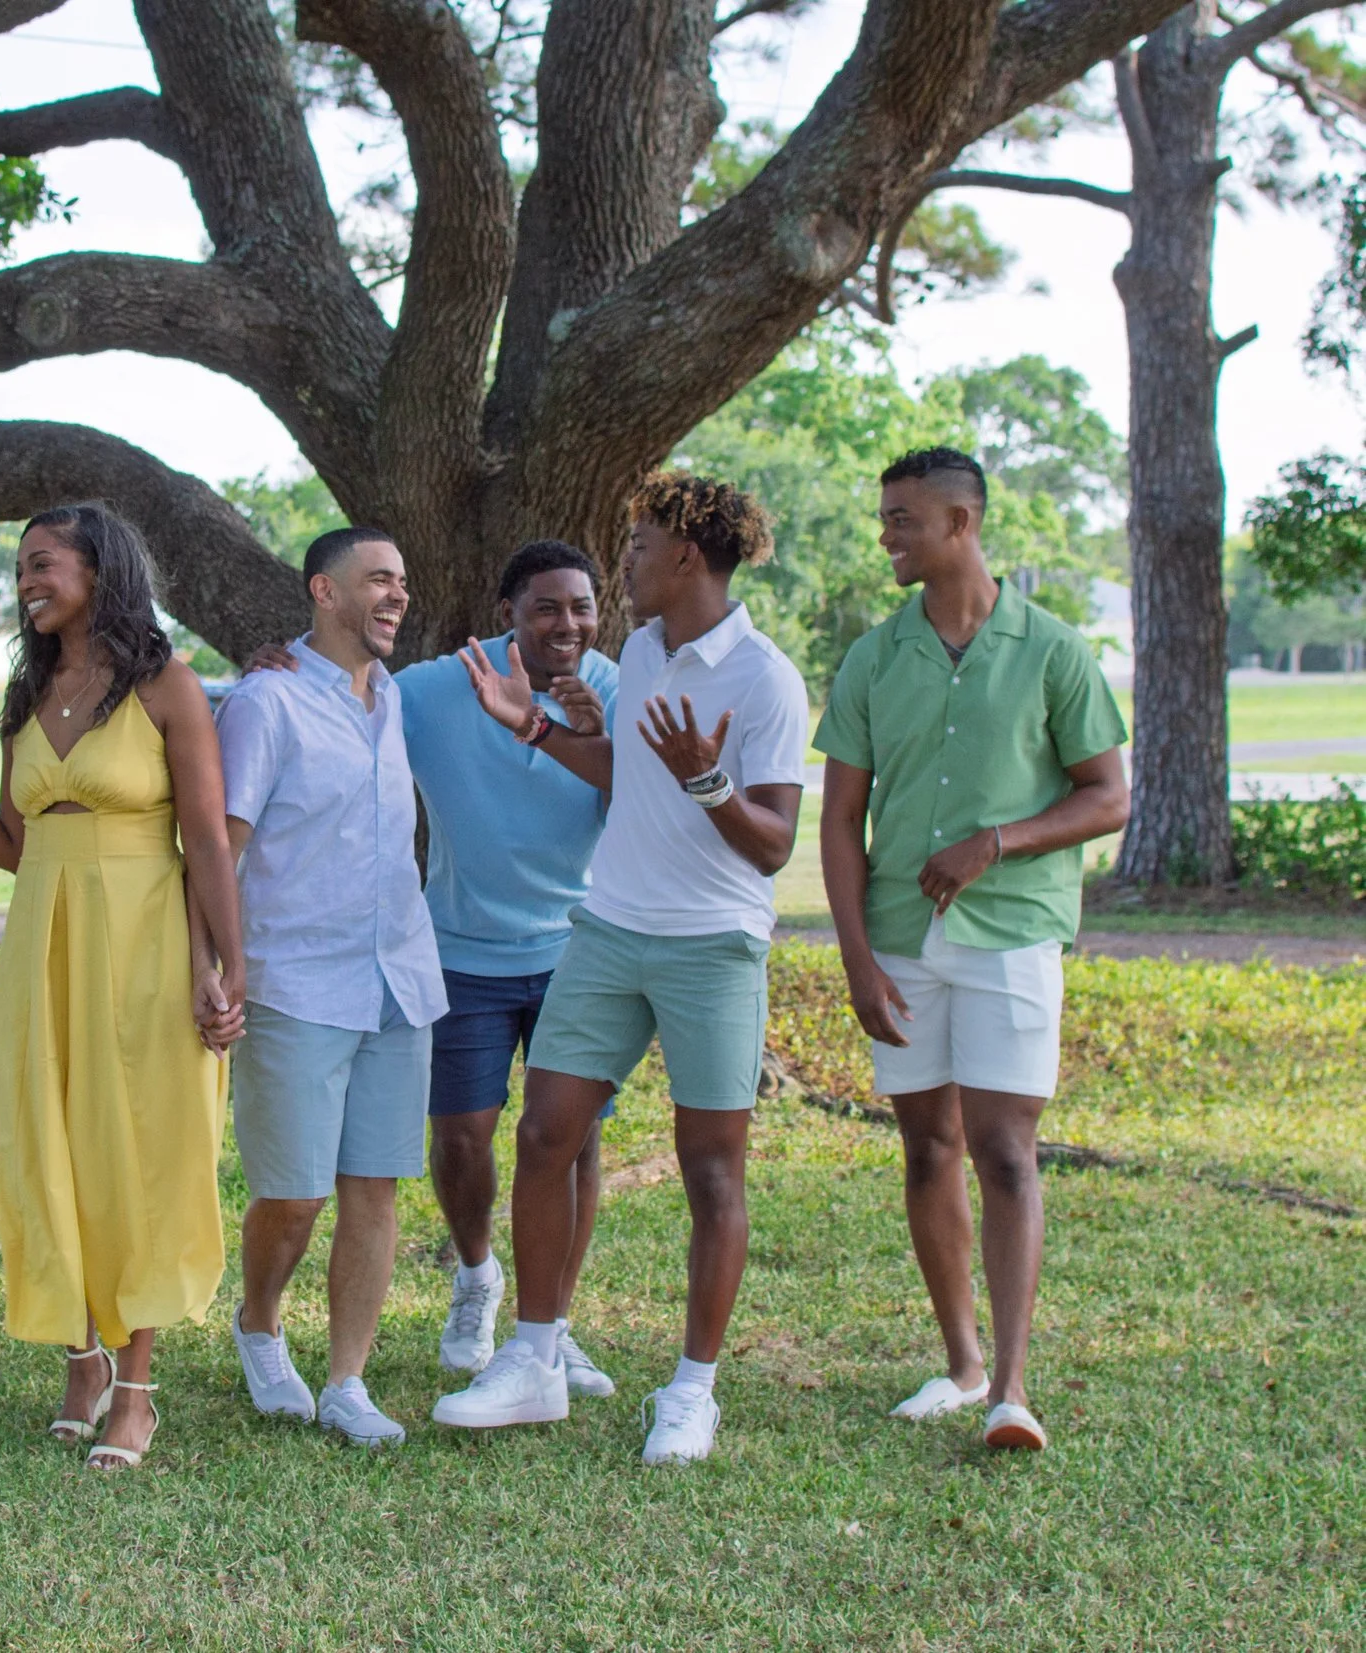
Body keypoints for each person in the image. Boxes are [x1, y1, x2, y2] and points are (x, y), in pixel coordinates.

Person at [0, 501, 244, 1472]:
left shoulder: (165, 688)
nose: (27, 582)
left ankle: (137, 1389)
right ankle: (81, 1360)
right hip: (44, 943)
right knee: (46, 1141)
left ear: (100, 572)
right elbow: (5, 844)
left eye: (42, 565)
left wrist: (225, 965)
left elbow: (205, 838)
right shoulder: (26, 700)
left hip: (144, 938)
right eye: (21, 567)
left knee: (140, 1149)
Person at [432, 472, 809, 1468]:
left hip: (712, 943)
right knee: (547, 1132)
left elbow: (770, 844)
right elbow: (624, 772)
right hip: (606, 929)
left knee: (710, 1168)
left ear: (686, 555)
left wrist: (709, 781)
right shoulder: (638, 651)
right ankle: (535, 1358)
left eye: (638, 544)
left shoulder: (765, 678)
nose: (624, 562)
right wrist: (532, 726)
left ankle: (691, 1392)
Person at [242, 541, 620, 1387]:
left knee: (571, 1137)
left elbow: (645, 786)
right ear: (508, 616)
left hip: (577, 947)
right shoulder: (436, 687)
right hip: (462, 951)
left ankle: (549, 1327)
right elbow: (316, 699)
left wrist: (573, 727)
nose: (569, 625)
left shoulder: (614, 686)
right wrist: (257, 664)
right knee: (460, 1138)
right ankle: (477, 1275)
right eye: (547, 608)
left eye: (582, 608)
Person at [816, 446, 1129, 1453]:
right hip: (901, 943)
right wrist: (856, 957)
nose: (886, 537)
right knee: (926, 1147)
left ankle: (1011, 1390)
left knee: (1002, 1149)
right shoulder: (872, 657)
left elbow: (1106, 796)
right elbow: (840, 822)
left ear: (959, 524)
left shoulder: (1052, 650)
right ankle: (958, 1365)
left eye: (901, 519)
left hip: (1011, 937)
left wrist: (996, 841)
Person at [215, 528, 446, 1448]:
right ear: (324, 591)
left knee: (375, 1188)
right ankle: (259, 1322)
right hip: (296, 981)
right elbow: (219, 849)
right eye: (377, 581)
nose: (396, 595)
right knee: (295, 1193)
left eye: (401, 581)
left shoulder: (395, 696)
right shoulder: (265, 702)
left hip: (399, 976)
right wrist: (213, 963)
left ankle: (348, 1378)